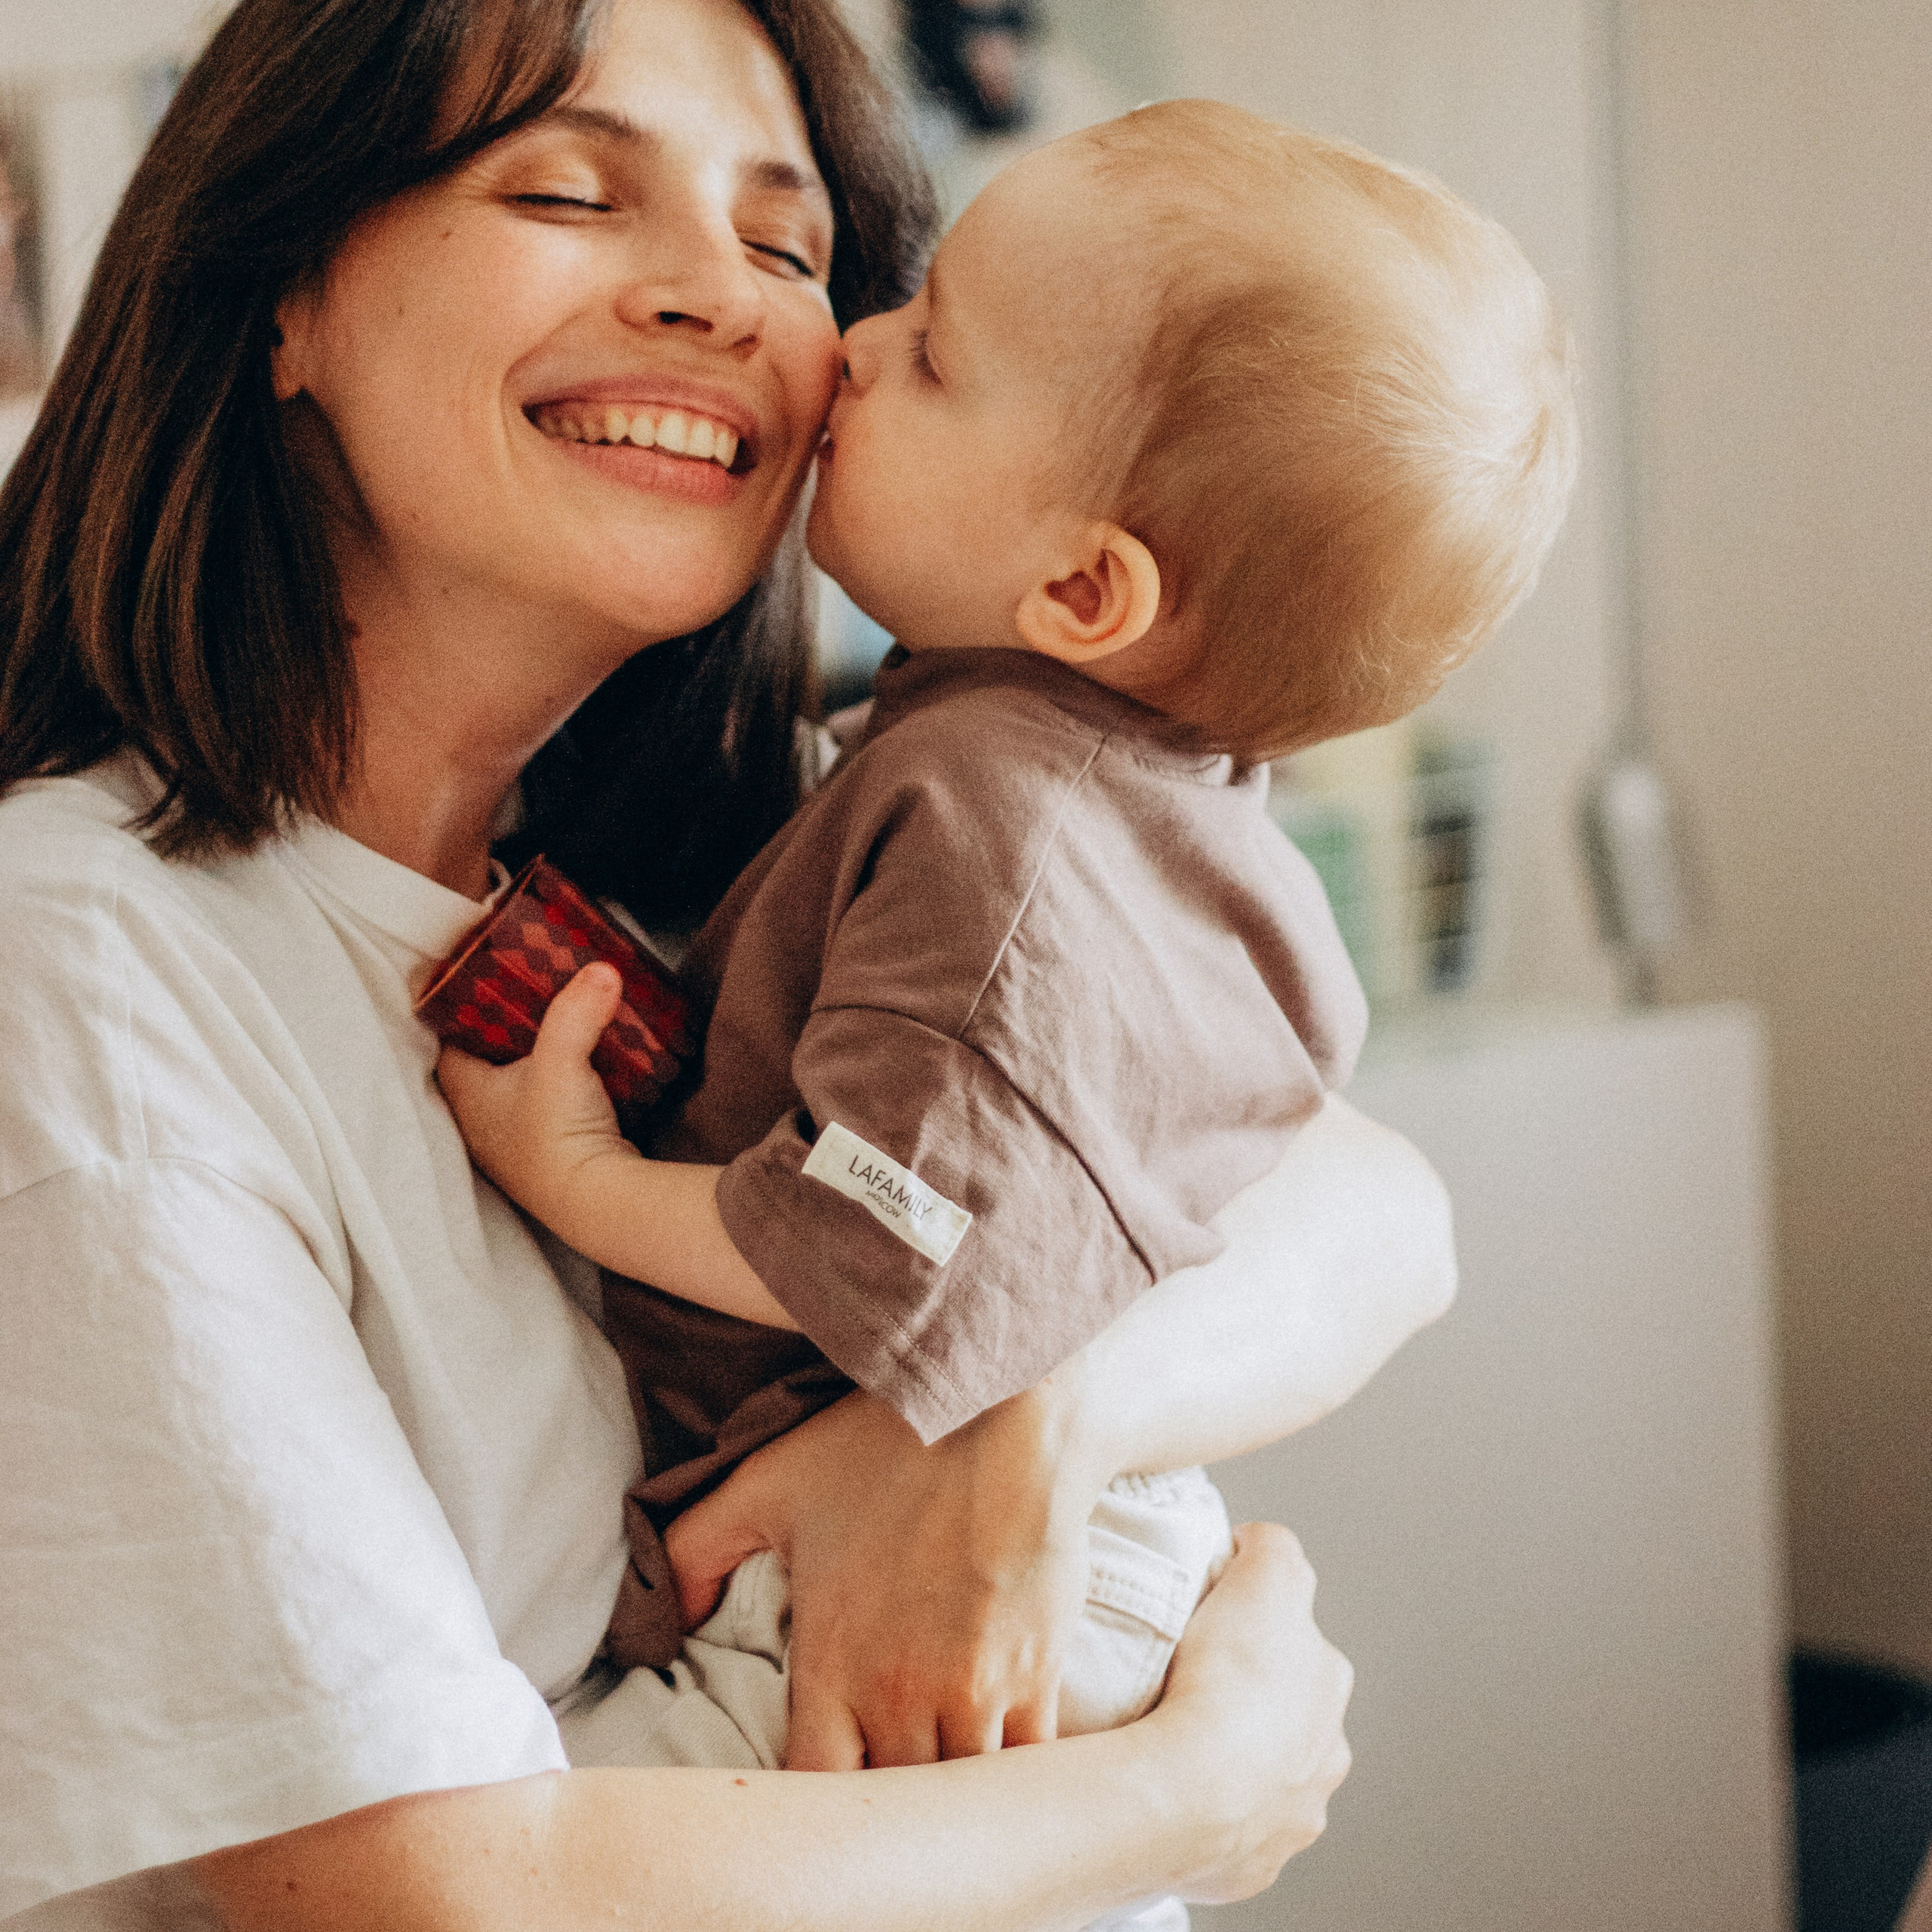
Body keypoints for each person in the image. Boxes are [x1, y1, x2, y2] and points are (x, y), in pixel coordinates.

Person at [0, 1, 1455, 1926]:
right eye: (565, 194)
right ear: (283, 293)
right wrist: (1186, 1788)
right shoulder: (84, 967)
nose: (723, 296)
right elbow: (428, 1894)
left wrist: (1014, 1418)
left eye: (785, 242)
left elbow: (1377, 1207)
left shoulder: (775, 847)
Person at [436, 97, 1575, 1803]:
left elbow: (870, 1243)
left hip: (904, 1572)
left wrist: (578, 1177)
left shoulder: (1001, 838)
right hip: (1019, 1523)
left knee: (582, 1835)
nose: (855, 344)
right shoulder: (1123, 796)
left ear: (1085, 593)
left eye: (935, 354)